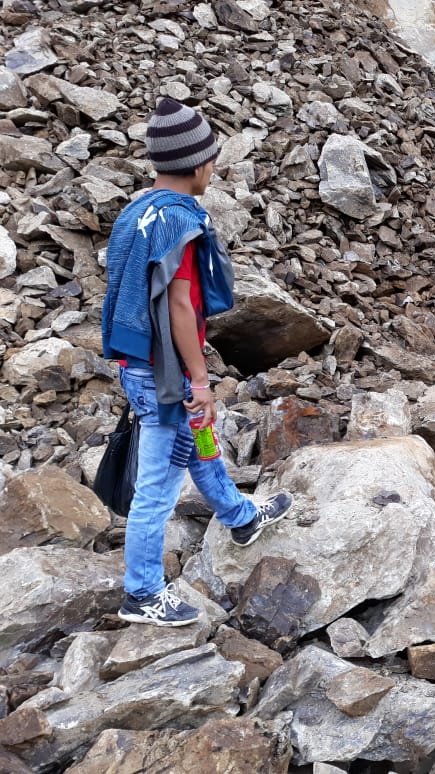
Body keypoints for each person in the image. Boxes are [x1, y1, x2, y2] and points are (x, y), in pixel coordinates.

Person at [101, 99, 292, 626]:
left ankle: (240, 517)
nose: (214, 168)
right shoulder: (180, 221)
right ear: (196, 164)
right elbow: (180, 304)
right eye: (211, 158)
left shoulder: (136, 213)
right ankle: (141, 593)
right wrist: (201, 378)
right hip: (165, 371)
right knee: (159, 485)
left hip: (138, 361)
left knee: (198, 444)